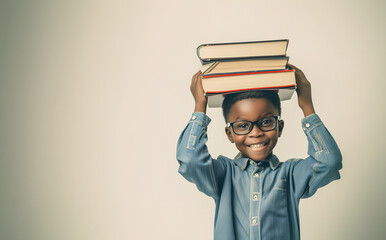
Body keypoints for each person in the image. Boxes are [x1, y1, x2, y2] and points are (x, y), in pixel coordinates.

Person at [176, 64, 342, 240]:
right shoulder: (223, 175)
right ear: (230, 134)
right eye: (243, 126)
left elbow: (329, 162)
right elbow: (190, 159)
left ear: (279, 127)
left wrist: (307, 105)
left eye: (266, 122)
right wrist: (200, 106)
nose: (255, 133)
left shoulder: (291, 175)